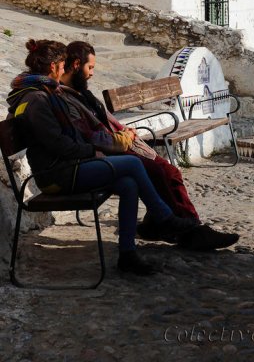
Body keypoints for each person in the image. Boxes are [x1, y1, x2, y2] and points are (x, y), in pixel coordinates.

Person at [7, 39, 201, 277]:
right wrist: (92, 151)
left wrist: (90, 149)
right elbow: (59, 144)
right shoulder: (37, 99)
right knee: (132, 162)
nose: (63, 69)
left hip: (67, 167)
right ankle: (164, 217)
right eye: (61, 65)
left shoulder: (43, 93)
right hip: (57, 174)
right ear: (54, 67)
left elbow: (65, 140)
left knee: (129, 184)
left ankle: (127, 255)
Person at [59, 41, 240, 251]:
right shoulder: (66, 97)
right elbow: (90, 135)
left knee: (169, 171)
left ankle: (167, 225)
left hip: (118, 144)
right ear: (75, 64)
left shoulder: (81, 93)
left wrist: (125, 134)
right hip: (106, 153)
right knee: (159, 171)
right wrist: (123, 137)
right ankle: (189, 231)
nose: (91, 74)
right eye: (89, 68)